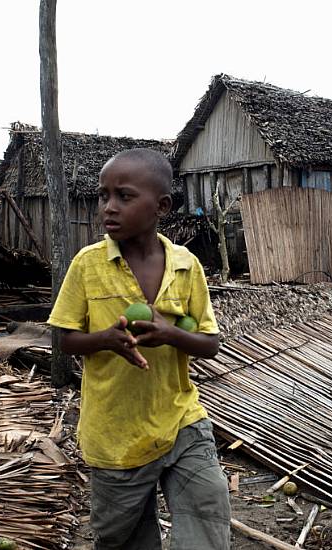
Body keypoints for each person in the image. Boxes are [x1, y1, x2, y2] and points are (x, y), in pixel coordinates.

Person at [48, 148, 230, 549]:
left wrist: (170, 333)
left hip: (181, 418)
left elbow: (209, 343)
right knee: (124, 538)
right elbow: (61, 339)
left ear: (161, 206)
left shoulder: (185, 266)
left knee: (208, 515)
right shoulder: (88, 265)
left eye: (124, 197)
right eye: (103, 196)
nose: (108, 208)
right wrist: (106, 341)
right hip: (116, 432)